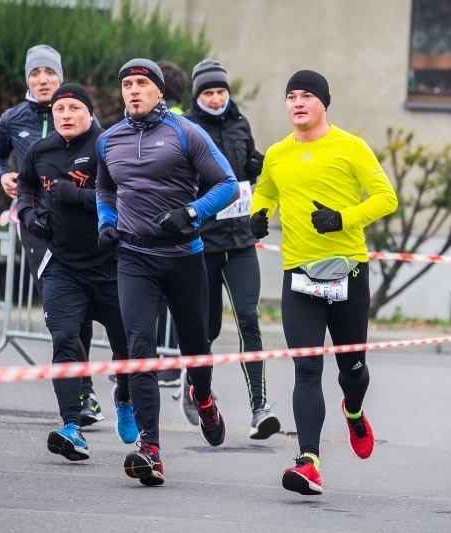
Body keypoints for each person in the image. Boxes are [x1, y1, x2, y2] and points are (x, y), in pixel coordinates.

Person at [250, 70, 398, 495]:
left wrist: (342, 219)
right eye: (291, 96)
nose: (298, 103)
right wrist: (258, 215)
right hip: (299, 277)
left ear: (323, 104)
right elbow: (266, 192)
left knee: (353, 371)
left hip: (347, 273)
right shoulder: (278, 153)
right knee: (307, 368)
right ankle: (308, 461)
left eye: (308, 96)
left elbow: (386, 197)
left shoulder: (351, 147)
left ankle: (353, 412)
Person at [95, 58, 238, 486]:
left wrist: (191, 212)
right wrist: (105, 221)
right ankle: (150, 448)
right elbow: (105, 188)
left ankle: (204, 395)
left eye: (142, 83)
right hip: (134, 257)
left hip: (183, 256)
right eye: (127, 84)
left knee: (196, 345)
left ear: (159, 91)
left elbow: (227, 183)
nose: (133, 90)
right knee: (141, 349)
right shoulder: (109, 140)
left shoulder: (184, 132)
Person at [15, 83, 138, 461]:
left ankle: (124, 396)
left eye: (73, 108)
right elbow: (25, 186)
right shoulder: (41, 150)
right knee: (65, 339)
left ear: (88, 111)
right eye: (58, 109)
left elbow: (127, 195)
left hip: (111, 264)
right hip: (63, 266)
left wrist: (79, 197)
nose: (65, 115)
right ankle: (71, 426)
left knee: (127, 346)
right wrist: (29, 214)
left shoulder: (107, 145)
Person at [0, 44, 104, 426]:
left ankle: (84, 391)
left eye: (49, 74)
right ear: (27, 79)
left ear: (59, 77)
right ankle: (81, 390)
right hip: (35, 225)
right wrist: (1, 174)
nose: (43, 80)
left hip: (75, 222)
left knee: (78, 307)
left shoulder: (78, 117)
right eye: (35, 74)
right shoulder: (12, 118)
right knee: (64, 308)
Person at [182, 58, 280, 439]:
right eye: (209, 92)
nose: (217, 98)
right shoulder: (186, 128)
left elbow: (245, 168)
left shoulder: (240, 123)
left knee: (248, 319)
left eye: (221, 91)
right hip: (202, 244)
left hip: (240, 242)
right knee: (203, 328)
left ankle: (260, 407)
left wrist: (255, 165)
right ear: (198, 96)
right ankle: (197, 392)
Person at [154, 60, 189, 387]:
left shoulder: (172, 123)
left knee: (168, 297)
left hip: (169, 222)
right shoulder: (181, 120)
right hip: (168, 221)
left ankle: (168, 362)